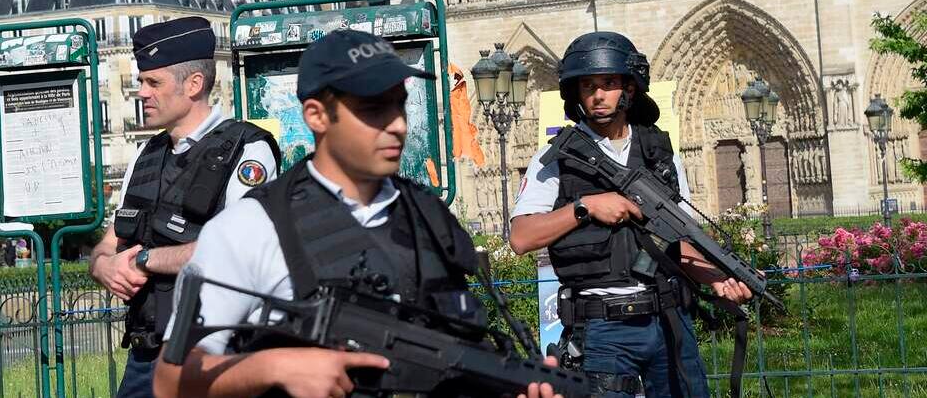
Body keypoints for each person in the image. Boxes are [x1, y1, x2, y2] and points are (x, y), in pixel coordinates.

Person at [153, 29, 565, 398]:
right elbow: (169, 382)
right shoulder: (251, 227)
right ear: (316, 115)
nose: (397, 125)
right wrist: (270, 368)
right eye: (373, 109)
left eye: (399, 106)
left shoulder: (428, 216)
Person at [509, 31, 753, 397]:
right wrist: (585, 207)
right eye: (588, 85)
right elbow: (521, 237)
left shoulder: (660, 154)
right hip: (602, 327)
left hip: (668, 318)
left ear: (630, 89)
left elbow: (678, 239)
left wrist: (716, 278)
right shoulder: (557, 159)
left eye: (608, 83)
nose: (597, 95)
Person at [89, 16, 280, 398]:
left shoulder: (246, 151)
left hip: (214, 355)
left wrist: (144, 261)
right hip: (146, 356)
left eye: (153, 82)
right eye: (142, 81)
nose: (141, 92)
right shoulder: (146, 154)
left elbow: (237, 252)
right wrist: (105, 266)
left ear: (193, 84)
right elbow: (110, 242)